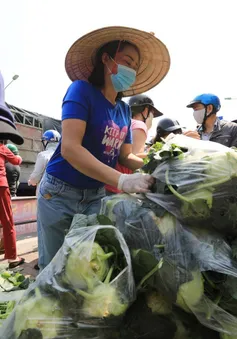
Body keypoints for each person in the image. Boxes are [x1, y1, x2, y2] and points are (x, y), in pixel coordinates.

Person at [37, 26, 170, 270]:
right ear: (106, 59)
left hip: (95, 197)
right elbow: (70, 148)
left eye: (135, 66)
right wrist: (121, 181)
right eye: (127, 61)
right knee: (53, 269)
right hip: (59, 193)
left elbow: (126, 155)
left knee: (86, 268)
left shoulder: (122, 110)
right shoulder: (82, 90)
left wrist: (162, 162)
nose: (131, 69)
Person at [105, 94, 163, 194]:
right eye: (152, 113)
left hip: (107, 181)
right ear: (145, 111)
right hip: (120, 186)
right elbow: (133, 156)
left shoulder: (123, 122)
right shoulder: (139, 125)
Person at [0, 71, 25, 268]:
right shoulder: (3, 149)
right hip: (1, 188)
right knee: (8, 223)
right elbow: (17, 160)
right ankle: (12, 258)